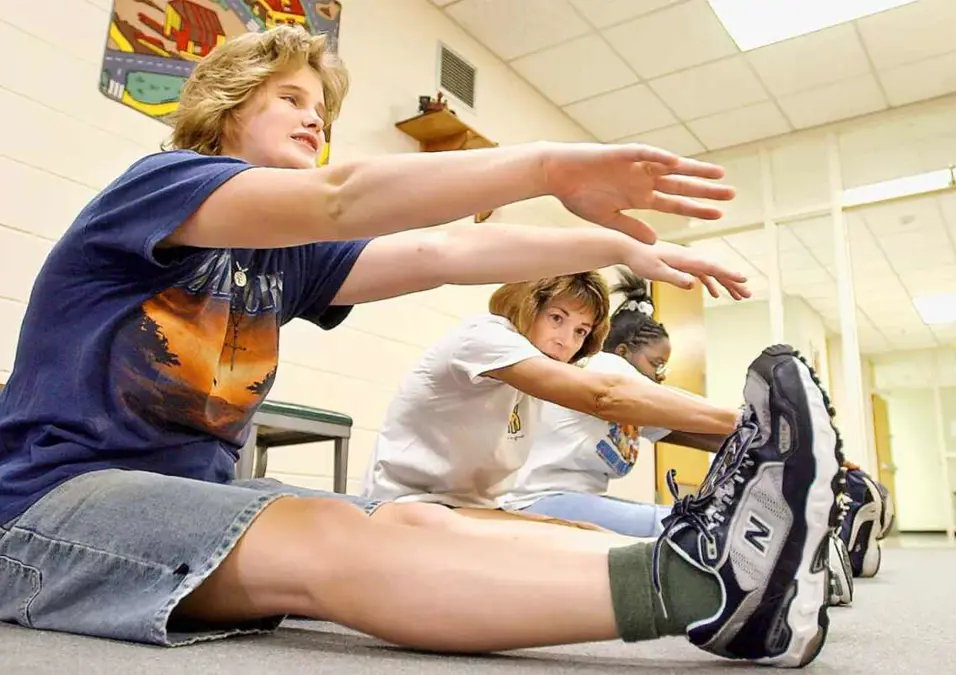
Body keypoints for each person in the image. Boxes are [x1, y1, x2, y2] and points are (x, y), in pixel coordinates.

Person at [0, 25, 840, 668]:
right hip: (45, 515)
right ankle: (703, 589)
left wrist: (617, 253)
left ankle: (722, 548)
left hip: (170, 510)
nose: (314, 119)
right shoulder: (157, 187)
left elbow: (444, 253)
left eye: (320, 110)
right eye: (291, 98)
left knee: (414, 516)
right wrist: (548, 165)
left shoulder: (280, 261)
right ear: (227, 102)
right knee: (333, 538)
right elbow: (342, 199)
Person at [361, 271, 740, 526]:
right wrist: (746, 421)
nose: (566, 340)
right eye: (556, 318)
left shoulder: (539, 378)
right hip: (406, 508)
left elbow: (675, 425)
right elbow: (605, 397)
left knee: (613, 542)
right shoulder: (485, 336)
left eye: (580, 331)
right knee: (665, 536)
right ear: (530, 306)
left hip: (474, 510)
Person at [497, 269, 734, 537]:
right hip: (536, 501)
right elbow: (683, 409)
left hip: (565, 501)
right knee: (686, 528)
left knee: (684, 525)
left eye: (580, 331)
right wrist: (749, 420)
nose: (660, 375)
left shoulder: (631, 406)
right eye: (655, 363)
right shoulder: (605, 365)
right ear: (623, 352)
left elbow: (696, 430)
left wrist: (759, 442)